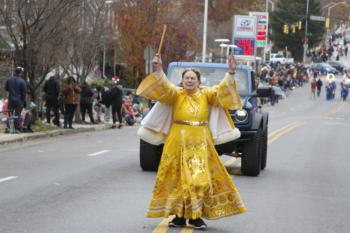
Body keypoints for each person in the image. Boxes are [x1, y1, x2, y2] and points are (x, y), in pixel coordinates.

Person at [136, 54, 246, 230]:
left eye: (192, 78)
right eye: (186, 78)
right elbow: (164, 86)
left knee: (199, 180)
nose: (189, 80)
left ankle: (195, 217)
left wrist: (231, 73)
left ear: (198, 81)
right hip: (176, 142)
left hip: (200, 144)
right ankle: (179, 216)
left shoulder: (206, 94)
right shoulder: (176, 94)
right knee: (177, 180)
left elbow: (222, 92)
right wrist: (158, 69)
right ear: (182, 80)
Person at [4, 66, 27, 131]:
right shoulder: (22, 81)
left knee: (10, 113)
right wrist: (23, 100)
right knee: (18, 114)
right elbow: (24, 92)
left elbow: (6, 88)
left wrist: (11, 90)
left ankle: (9, 127)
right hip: (19, 100)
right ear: (20, 73)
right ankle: (16, 128)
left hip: (11, 98)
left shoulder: (9, 79)